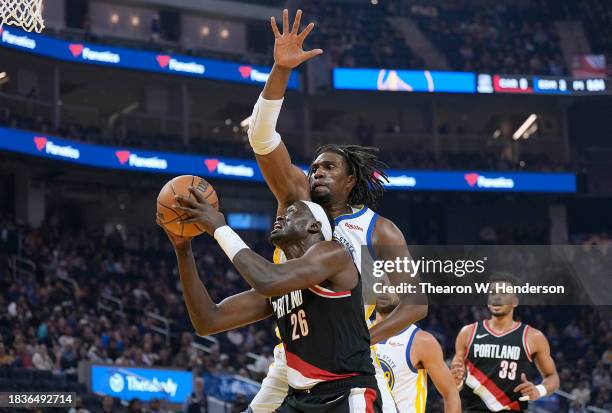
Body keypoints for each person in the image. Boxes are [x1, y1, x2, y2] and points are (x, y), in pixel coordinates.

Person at [243, 9, 427, 412]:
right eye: (314, 166)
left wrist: (366, 337)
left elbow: (416, 303)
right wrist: (280, 71)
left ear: (350, 181)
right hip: (291, 358)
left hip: (351, 362)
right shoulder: (294, 199)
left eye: (329, 167)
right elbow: (260, 136)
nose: (317, 172)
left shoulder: (380, 230)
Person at [161, 195, 382, 412]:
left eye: (292, 213)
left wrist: (220, 228)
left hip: (346, 394)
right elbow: (208, 320)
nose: (280, 217)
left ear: (314, 226)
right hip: (300, 399)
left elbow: (267, 279)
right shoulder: (280, 284)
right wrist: (183, 250)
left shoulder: (333, 253)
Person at [450, 273, 560, 412]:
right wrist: (456, 381)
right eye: (493, 293)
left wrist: (538, 390)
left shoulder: (533, 337)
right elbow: (454, 381)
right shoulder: (467, 333)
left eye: (503, 293)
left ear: (514, 301)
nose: (497, 297)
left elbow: (553, 378)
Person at [374, 292, 461, 413]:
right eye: (378, 284)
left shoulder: (421, 341)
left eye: (390, 284)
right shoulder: (358, 334)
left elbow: (451, 394)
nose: (384, 290)